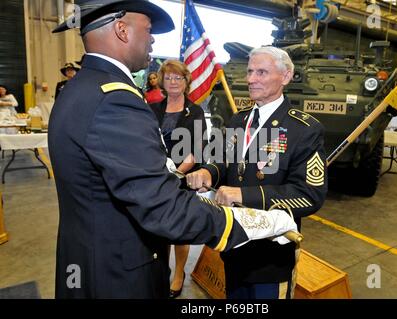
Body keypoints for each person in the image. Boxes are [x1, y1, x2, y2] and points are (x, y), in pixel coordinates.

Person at [49, 0, 297, 299]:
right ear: (121, 30)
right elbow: (164, 207)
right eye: (149, 29)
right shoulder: (115, 100)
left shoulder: (81, 88)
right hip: (116, 272)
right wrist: (259, 221)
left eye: (262, 73)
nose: (153, 39)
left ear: (285, 77)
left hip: (92, 259)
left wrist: (198, 175)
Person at [186, 46, 328, 299]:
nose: (251, 79)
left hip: (270, 257)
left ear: (285, 77)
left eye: (261, 72)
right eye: (250, 71)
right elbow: (223, 161)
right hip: (234, 246)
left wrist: (242, 195)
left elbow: (309, 194)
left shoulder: (304, 129)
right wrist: (209, 172)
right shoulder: (238, 120)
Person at [149, 59, 206, 298]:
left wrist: (177, 173)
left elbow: (197, 149)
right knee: (158, 228)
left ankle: (179, 273)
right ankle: (162, 269)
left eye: (178, 77)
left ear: (186, 81)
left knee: (180, 229)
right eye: (168, 77)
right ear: (161, 81)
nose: (173, 81)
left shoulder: (196, 112)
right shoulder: (153, 109)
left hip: (182, 178)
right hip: (155, 177)